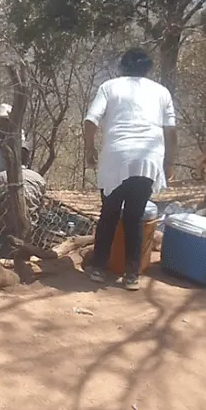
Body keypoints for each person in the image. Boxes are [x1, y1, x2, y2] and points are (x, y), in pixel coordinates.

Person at [82, 48, 178, 290]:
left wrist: (89, 149)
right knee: (134, 217)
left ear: (122, 66)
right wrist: (169, 163)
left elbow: (90, 120)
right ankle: (132, 275)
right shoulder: (161, 92)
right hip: (148, 160)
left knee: (109, 215)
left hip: (117, 158)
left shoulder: (110, 87)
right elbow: (171, 130)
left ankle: (98, 268)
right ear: (147, 68)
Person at [0, 161, 47, 260]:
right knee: (23, 263)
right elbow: (41, 209)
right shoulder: (39, 179)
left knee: (1, 263)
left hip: (4, 232)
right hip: (30, 231)